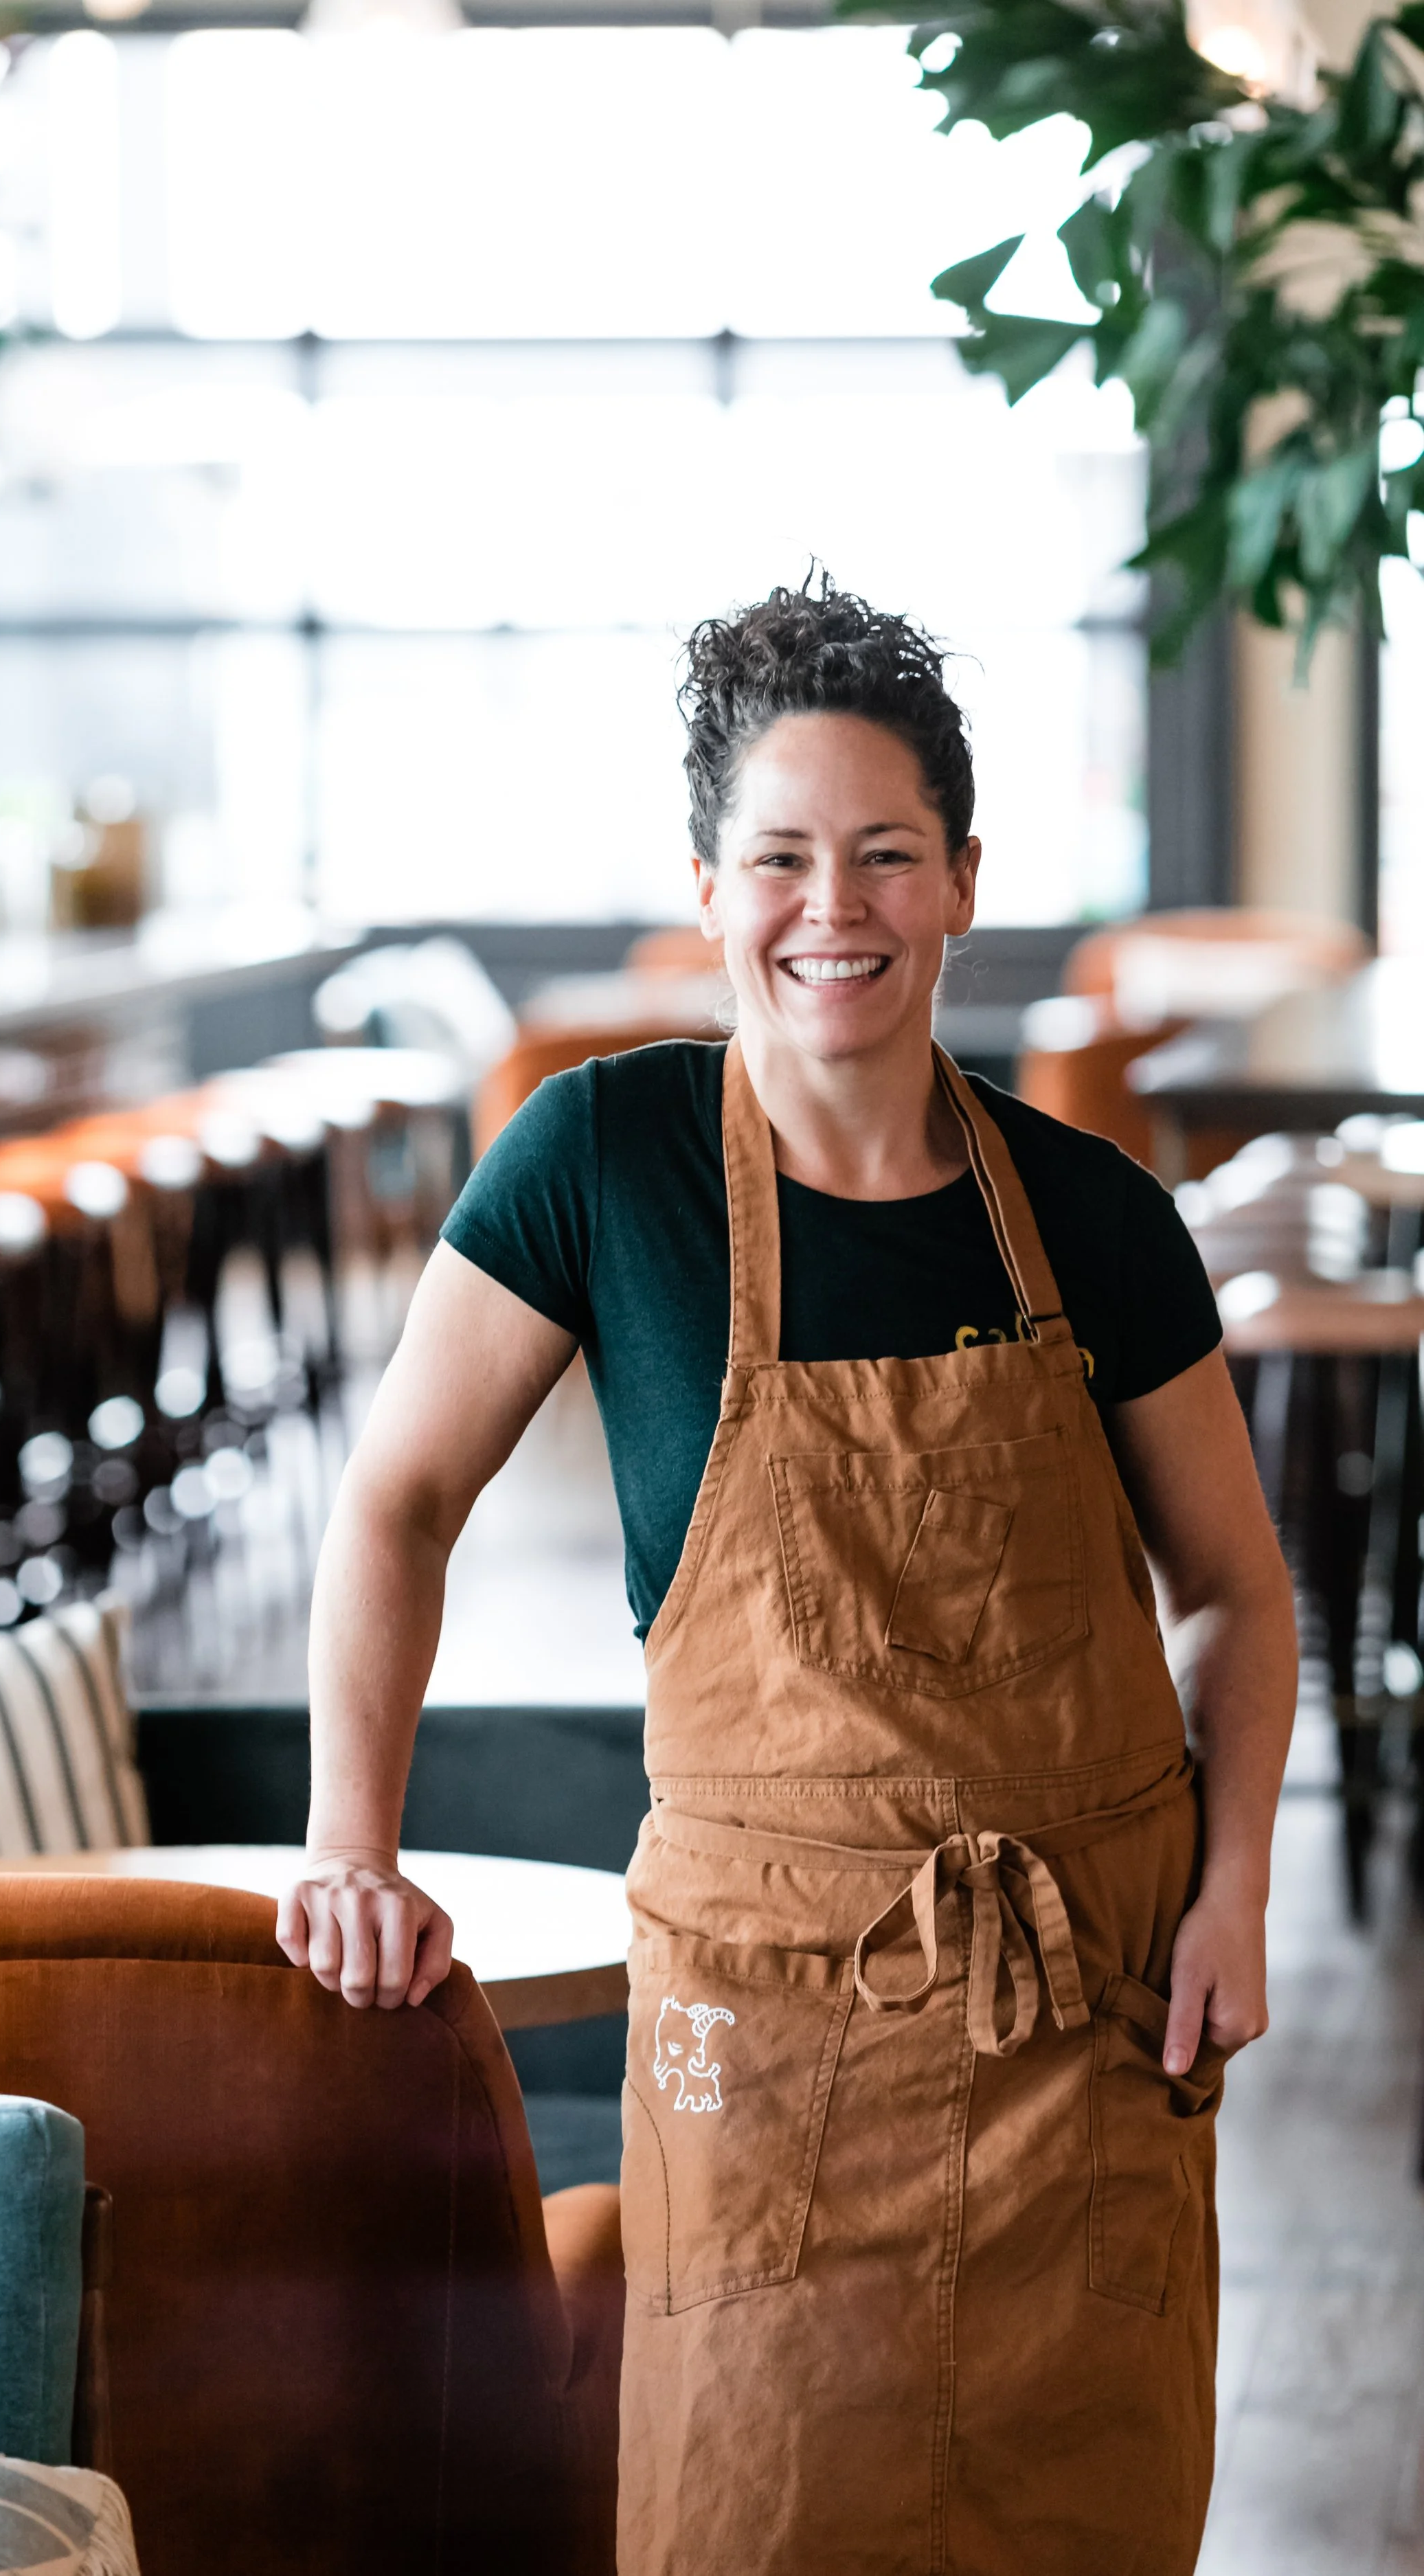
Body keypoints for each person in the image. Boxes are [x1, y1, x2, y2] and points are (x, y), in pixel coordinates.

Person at [278, 575, 1297, 2575]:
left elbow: (1240, 1596)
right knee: (750, 2519)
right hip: (767, 2032)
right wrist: (345, 1833)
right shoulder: (597, 1158)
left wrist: (1239, 1880)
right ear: (706, 881)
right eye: (781, 858)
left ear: (962, 880)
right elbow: (393, 1496)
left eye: (885, 854)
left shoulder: (1094, 1213)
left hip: (1081, 2024)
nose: (833, 908)